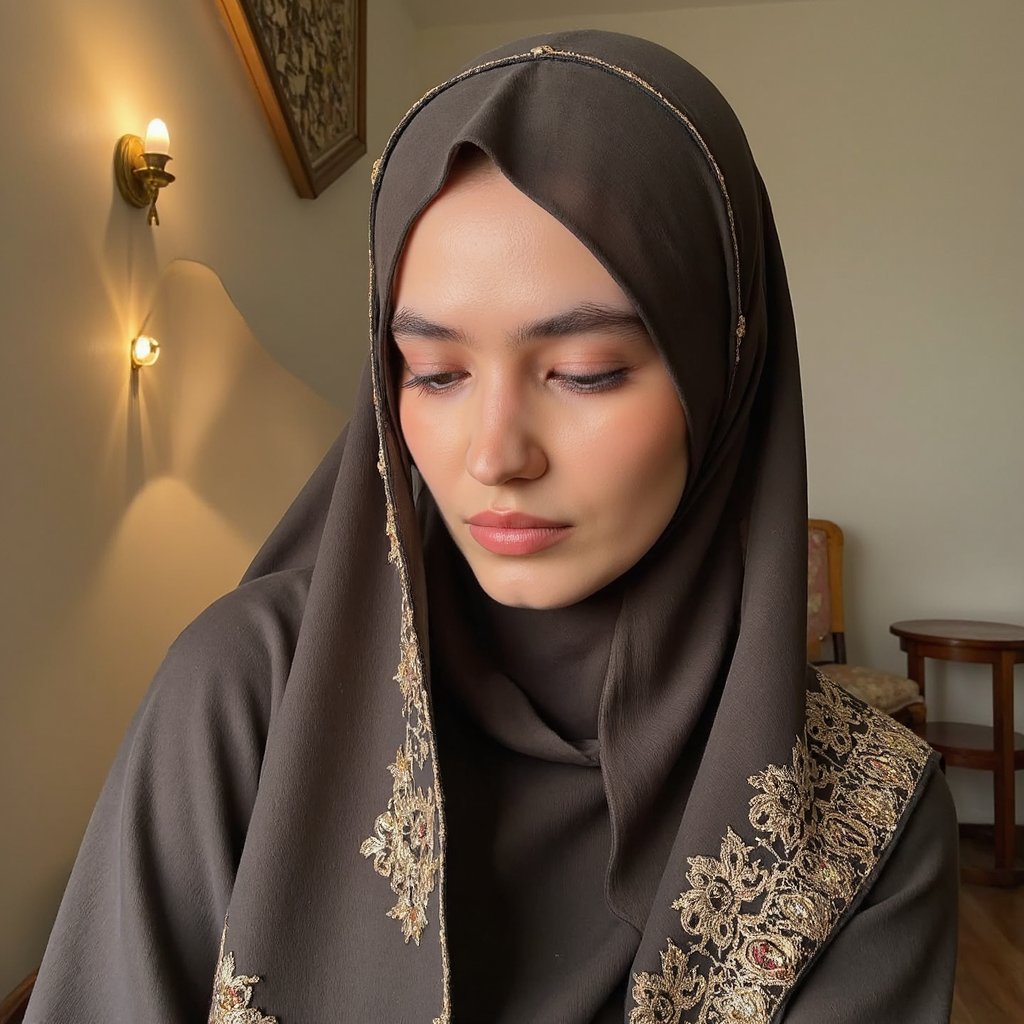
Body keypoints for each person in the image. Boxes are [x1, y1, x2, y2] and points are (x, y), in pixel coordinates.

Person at [25, 29, 958, 1024]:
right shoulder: (246, 691)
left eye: (585, 372)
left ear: (722, 374)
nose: (494, 454)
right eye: (434, 374)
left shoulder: (864, 819)